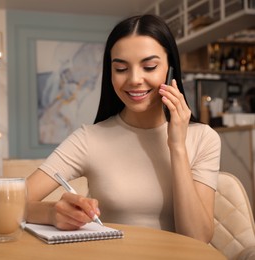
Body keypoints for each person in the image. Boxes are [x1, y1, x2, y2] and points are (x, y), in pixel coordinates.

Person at [26, 14, 221, 243]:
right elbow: (6, 203)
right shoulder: (89, 138)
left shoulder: (204, 138)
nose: (134, 79)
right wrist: (51, 213)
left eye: (149, 67)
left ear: (171, 69)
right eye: (121, 69)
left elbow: (198, 239)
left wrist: (177, 146)